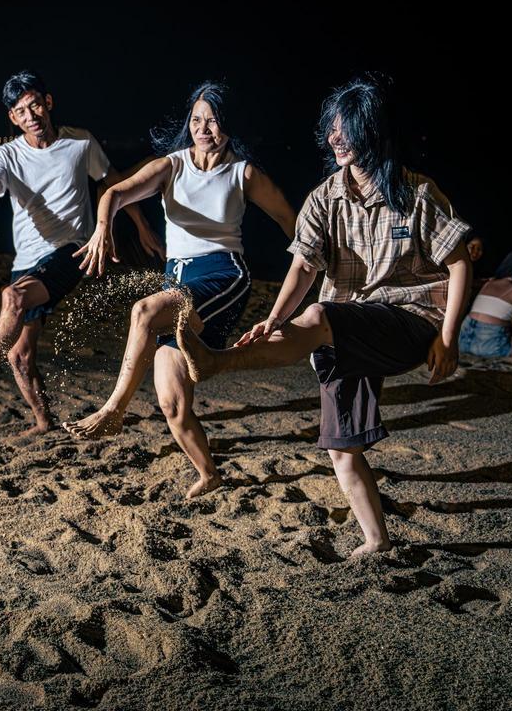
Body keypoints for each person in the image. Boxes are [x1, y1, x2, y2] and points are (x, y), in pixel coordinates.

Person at [174, 75, 472, 557]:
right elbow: (302, 268)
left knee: (320, 316)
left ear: (372, 131)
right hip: (343, 329)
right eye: (332, 129)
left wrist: (449, 336)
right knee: (341, 447)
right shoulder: (324, 198)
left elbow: (459, 261)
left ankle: (216, 363)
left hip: (408, 321)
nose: (335, 138)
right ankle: (377, 540)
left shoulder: (416, 194)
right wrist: (272, 320)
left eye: (346, 128)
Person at [65, 82, 297, 497]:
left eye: (212, 119)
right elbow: (114, 192)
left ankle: (114, 409)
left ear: (227, 125)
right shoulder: (172, 166)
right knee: (172, 403)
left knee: (143, 312)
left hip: (223, 274)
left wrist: (311, 269)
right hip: (178, 279)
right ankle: (209, 474)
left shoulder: (242, 173)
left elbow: (290, 222)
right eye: (196, 120)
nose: (203, 128)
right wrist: (103, 228)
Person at [0, 70, 160, 436]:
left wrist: (140, 225)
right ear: (13, 118)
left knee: (12, 297)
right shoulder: (6, 155)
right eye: (22, 112)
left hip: (73, 251)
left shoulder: (80, 143)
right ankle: (44, 422)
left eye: (36, 105)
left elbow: (113, 183)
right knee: (19, 356)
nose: (32, 116)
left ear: (49, 103)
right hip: (27, 262)